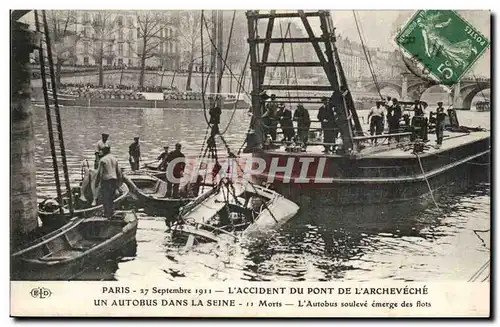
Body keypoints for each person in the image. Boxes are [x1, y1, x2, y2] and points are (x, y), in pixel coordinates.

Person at [95, 145, 123, 218]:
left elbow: (99, 174)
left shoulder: (103, 160)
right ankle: (111, 213)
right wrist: (119, 184)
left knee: (105, 198)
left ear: (104, 151)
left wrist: (96, 183)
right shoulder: (114, 159)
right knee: (111, 198)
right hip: (114, 180)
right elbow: (119, 172)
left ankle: (107, 214)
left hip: (106, 180)